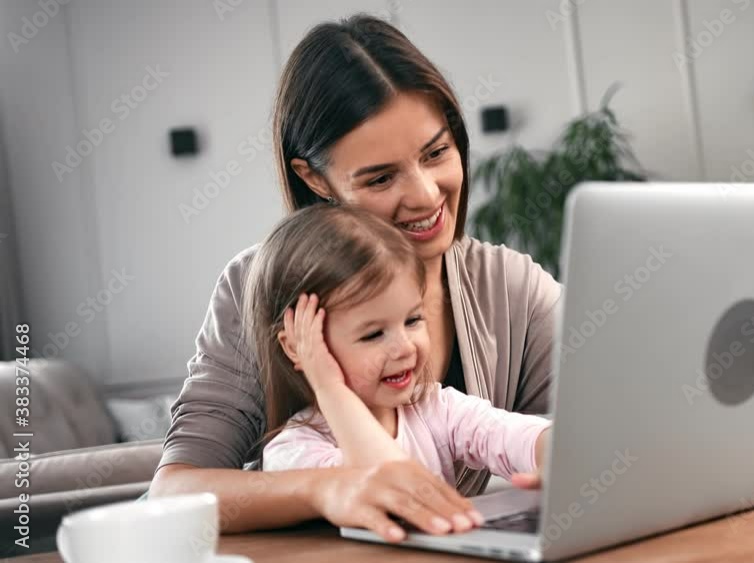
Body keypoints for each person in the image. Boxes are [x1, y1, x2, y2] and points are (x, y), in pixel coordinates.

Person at [148, 15, 562, 543]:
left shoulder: (510, 285)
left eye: (436, 153)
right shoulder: (257, 288)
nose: (426, 195)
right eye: (382, 177)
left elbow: (573, 433)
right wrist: (326, 489)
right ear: (313, 178)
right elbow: (174, 493)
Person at [248, 204, 550, 540]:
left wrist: (554, 452)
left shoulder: (435, 409)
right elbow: (390, 488)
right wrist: (330, 388)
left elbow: (509, 434)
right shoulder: (293, 453)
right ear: (297, 347)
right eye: (373, 334)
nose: (405, 347)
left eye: (413, 319)